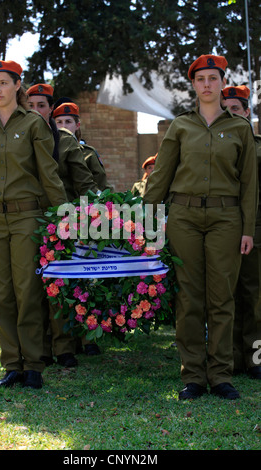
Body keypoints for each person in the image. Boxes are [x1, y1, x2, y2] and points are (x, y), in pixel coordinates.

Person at [144, 54, 257, 400]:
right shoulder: (180, 126)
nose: (207, 84)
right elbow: (160, 177)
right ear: (193, 84)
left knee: (221, 298)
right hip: (184, 218)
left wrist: (248, 229)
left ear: (222, 83)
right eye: (201, 79)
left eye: (213, 78)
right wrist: (148, 226)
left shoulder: (240, 128)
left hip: (226, 219)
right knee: (189, 297)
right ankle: (193, 375)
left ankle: (221, 375)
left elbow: (249, 184)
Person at [0, 60, 68, 389]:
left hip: (27, 216)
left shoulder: (34, 124)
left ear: (16, 85)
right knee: (0, 294)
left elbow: (48, 173)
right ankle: (12, 364)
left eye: (3, 83)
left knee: (27, 291)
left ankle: (34, 366)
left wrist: (62, 214)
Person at [27, 89, 100, 366]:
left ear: (50, 108)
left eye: (41, 106)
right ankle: (40, 348)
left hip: (60, 221)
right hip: (25, 219)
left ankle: (65, 347)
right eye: (31, 105)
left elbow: (84, 183)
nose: (36, 110)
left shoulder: (65, 140)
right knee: (30, 289)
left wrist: (98, 214)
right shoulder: (17, 136)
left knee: (59, 287)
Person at [221, 85, 261, 380]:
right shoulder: (216, 144)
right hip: (223, 226)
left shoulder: (258, 146)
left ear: (247, 112)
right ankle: (230, 359)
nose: (230, 114)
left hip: (256, 229)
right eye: (226, 109)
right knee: (225, 296)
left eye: (235, 109)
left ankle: (256, 358)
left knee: (255, 296)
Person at [53, 101, 111, 191]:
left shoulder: (88, 154)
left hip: (81, 202)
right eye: (59, 122)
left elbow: (101, 185)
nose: (63, 126)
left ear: (77, 125)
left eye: (68, 122)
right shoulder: (49, 150)